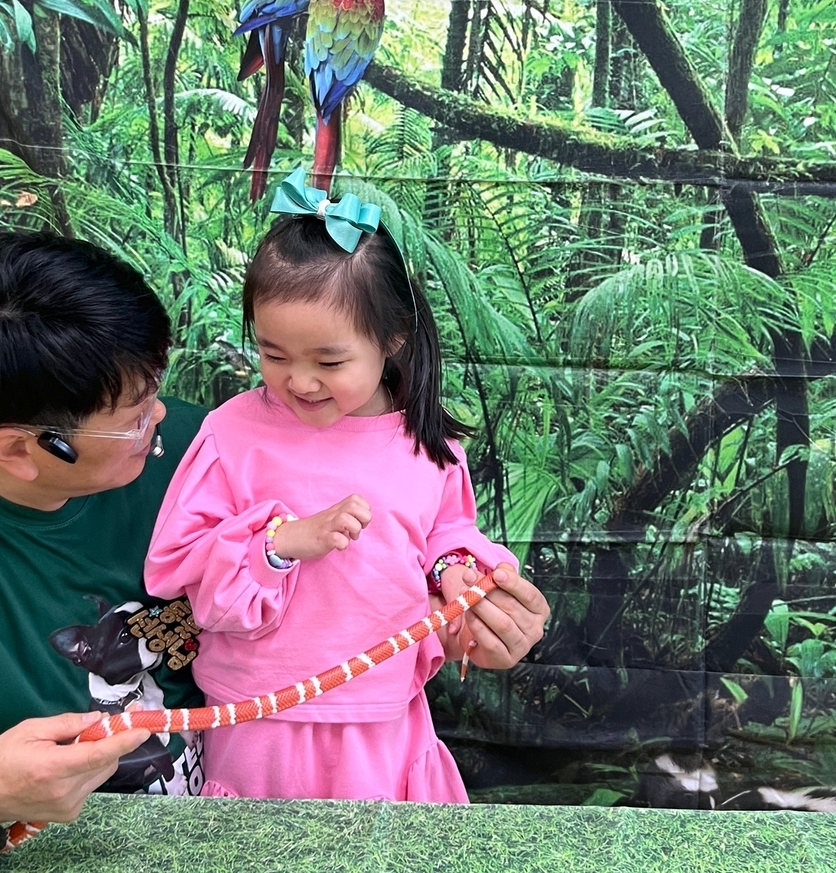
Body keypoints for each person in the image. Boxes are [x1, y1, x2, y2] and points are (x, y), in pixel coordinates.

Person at [0, 229, 549, 873]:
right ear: (20, 449)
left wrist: (474, 610)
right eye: (133, 414)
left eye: (156, 388)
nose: (163, 420)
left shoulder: (208, 444)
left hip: (246, 848)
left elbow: (400, 540)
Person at [144, 171, 540, 804]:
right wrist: (279, 544)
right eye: (274, 355)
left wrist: (457, 574)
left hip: (385, 719)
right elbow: (181, 572)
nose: (299, 382)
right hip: (259, 722)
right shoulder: (231, 434)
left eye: (329, 362)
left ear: (392, 340)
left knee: (379, 861)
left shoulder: (427, 445)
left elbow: (447, 534)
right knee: (258, 862)